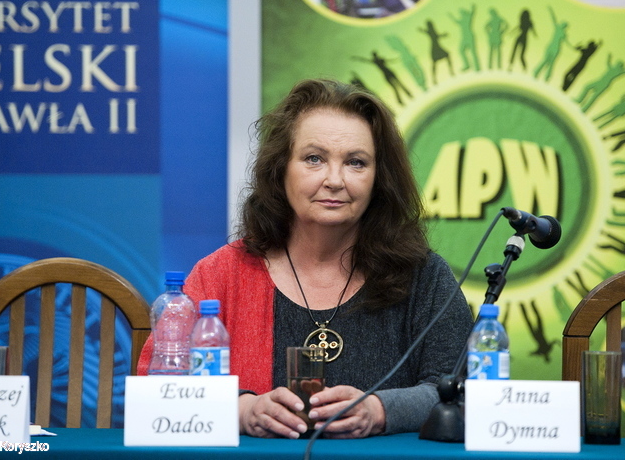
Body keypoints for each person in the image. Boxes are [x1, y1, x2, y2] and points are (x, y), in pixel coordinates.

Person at [137, 79, 473, 438]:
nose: (334, 180)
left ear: (379, 179)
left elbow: (465, 393)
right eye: (314, 159)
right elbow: (157, 392)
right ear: (281, 168)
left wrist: (379, 410)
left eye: (356, 163)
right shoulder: (220, 275)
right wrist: (241, 410)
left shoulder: (424, 277)